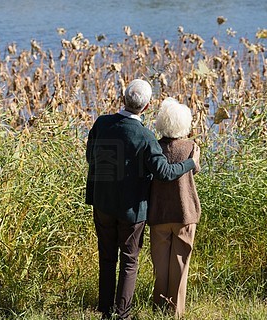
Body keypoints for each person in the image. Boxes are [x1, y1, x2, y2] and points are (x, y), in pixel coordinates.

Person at [85, 79, 200, 320]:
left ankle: (105, 310)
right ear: (146, 108)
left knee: (106, 257)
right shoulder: (145, 137)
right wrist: (191, 162)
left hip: (102, 203)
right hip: (131, 210)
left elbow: (91, 157)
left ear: (123, 99)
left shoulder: (102, 124)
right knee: (129, 261)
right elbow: (165, 172)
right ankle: (122, 315)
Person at [148, 97, 201, 319]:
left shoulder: (154, 147)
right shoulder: (191, 147)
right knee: (180, 262)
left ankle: (158, 305)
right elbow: (194, 171)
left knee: (160, 263)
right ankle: (175, 310)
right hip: (184, 212)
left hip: (158, 212)